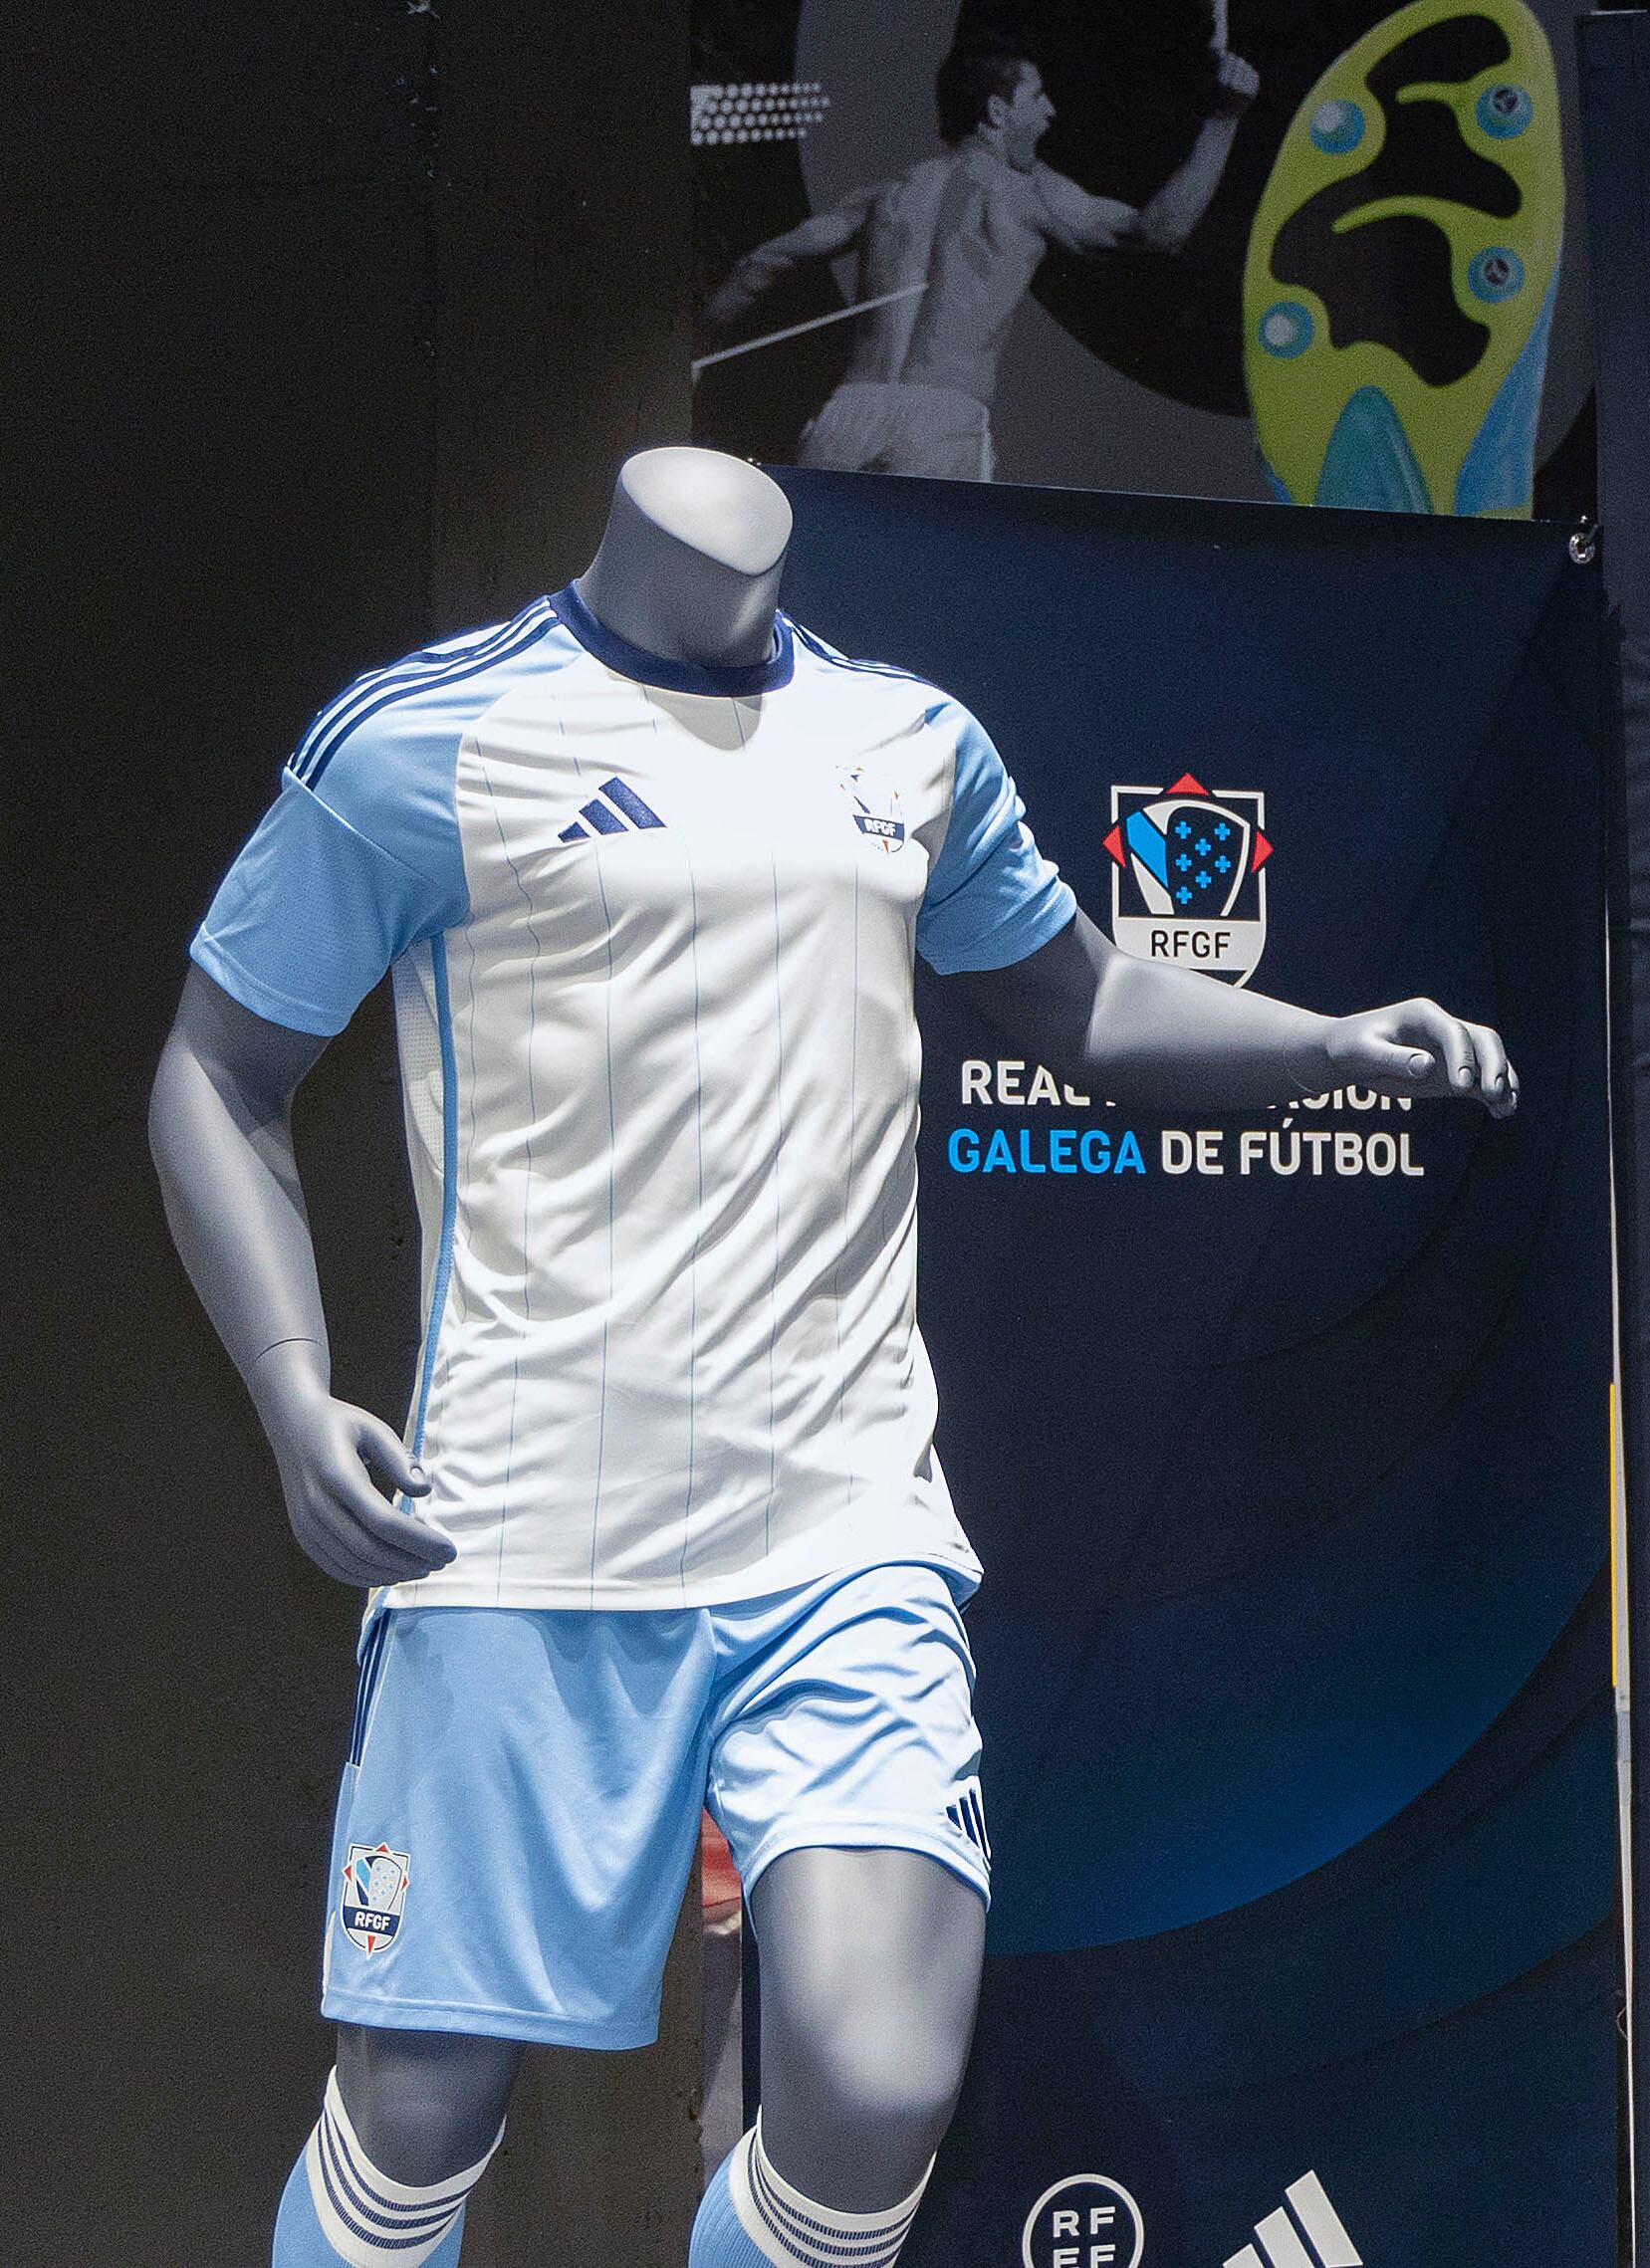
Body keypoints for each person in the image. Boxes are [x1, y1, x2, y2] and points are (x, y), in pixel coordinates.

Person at [153, 447, 1517, 2268]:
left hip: (844, 1524)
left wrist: (1331, 1040)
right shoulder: (425, 740)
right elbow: (214, 1068)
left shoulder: (909, 743)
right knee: (417, 2114)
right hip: (521, 1530)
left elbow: (1085, 1000)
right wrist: (287, 1386)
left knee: (876, 2080)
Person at [706, 27, 1259, 479]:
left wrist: (695, 360)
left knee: (815, 599)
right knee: (930, 600)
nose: (1051, 113)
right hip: (942, 422)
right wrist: (1224, 120)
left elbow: (756, 266)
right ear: (998, 112)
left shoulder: (888, 194)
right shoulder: (1027, 195)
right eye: (1038, 97)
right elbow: (1159, 231)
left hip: (847, 417)